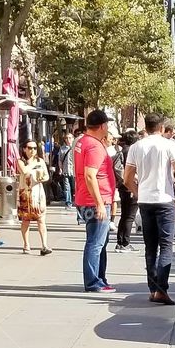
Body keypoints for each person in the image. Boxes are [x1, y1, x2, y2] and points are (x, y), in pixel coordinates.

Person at [124, 113, 175, 305]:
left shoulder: (136, 146)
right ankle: (162, 289)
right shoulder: (169, 145)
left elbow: (127, 178)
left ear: (146, 127)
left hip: (145, 201)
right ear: (161, 128)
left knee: (150, 247)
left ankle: (153, 289)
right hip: (165, 200)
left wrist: (138, 192)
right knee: (166, 246)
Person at [74, 110, 116, 293]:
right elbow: (90, 175)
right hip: (95, 200)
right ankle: (93, 281)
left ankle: (100, 278)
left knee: (99, 241)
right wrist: (100, 204)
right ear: (102, 126)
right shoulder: (94, 146)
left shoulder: (82, 142)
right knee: (96, 243)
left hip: (87, 198)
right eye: (107, 124)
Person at [16, 141, 52, 255]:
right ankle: (26, 244)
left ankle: (44, 245)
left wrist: (42, 177)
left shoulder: (40, 161)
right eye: (30, 148)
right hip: (25, 193)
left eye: (35, 148)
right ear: (24, 149)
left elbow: (46, 175)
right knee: (25, 220)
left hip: (38, 192)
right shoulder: (20, 161)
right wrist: (33, 164)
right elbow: (24, 171)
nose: (33, 151)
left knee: (41, 219)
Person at [113, 133, 137, 253]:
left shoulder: (121, 152)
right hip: (131, 186)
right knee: (130, 216)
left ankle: (120, 241)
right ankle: (125, 242)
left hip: (122, 186)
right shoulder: (132, 153)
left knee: (124, 215)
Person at [57, 133, 75, 208]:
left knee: (74, 187)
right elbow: (60, 160)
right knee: (67, 187)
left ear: (73, 138)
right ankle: (68, 202)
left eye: (70, 138)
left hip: (74, 171)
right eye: (67, 138)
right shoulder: (62, 148)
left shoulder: (76, 147)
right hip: (65, 170)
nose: (68, 140)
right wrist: (60, 169)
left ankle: (75, 201)